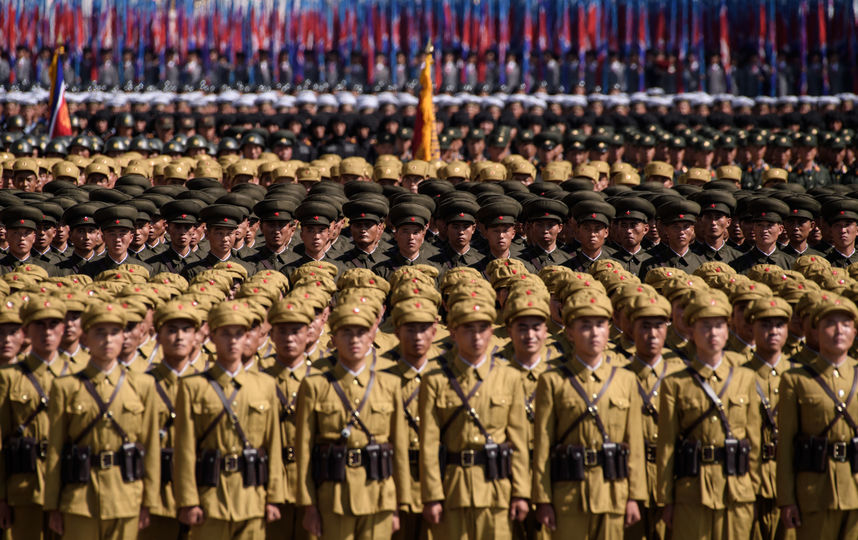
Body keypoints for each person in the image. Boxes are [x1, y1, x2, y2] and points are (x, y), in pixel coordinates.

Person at [532, 288, 646, 537]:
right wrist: (543, 499)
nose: (594, 333)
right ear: (569, 332)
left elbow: (635, 444)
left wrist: (634, 496)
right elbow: (543, 445)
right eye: (585, 325)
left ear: (608, 329)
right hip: (568, 495)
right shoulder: (552, 380)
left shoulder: (625, 379)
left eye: (600, 325)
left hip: (613, 493)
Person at [43, 301, 160, 539]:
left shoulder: (143, 385)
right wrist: (52, 505)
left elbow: (150, 447)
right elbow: (55, 450)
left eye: (115, 332)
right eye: (100, 332)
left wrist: (149, 501)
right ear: (85, 338)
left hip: (127, 496)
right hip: (79, 499)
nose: (108, 340)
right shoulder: (66, 387)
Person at [295, 298, 411, 539]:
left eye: (361, 332)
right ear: (334, 338)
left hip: (379, 494)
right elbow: (304, 450)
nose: (354, 340)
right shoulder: (315, 385)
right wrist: (309, 505)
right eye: (346, 332)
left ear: (371, 337)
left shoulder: (389, 384)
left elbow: (399, 447)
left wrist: (400, 503)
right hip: (333, 496)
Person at [418, 295, 530, 539]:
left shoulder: (509, 378)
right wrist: (432, 496)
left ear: (491, 332)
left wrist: (521, 492)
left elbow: (518, 441)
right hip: (452, 490)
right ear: (453, 332)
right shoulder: (435, 380)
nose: (476, 337)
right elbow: (429, 444)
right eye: (468, 328)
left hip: (497, 489)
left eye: (482, 328)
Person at [173, 300, 285, 539]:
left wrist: (274, 496)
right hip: (209, 499)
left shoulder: (264, 385)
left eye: (239, 334)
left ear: (247, 337)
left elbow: (273, 445)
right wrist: (188, 500)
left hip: (253, 498)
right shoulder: (193, 387)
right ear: (212, 337)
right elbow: (184, 449)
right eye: (225, 334)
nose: (233, 341)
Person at [656, 290, 761, 539]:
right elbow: (667, 447)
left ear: (728, 330)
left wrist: (754, 491)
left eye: (719, 326)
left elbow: (754, 442)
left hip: (736, 490)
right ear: (692, 331)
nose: (713, 333)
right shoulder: (675, 383)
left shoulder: (745, 378)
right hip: (692, 492)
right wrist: (666, 499)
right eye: (705, 326)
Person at [778, 294, 858, 540]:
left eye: (845, 324)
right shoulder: (796, 379)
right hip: (814, 492)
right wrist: (787, 500)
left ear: (854, 332)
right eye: (830, 324)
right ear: (815, 331)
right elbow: (786, 446)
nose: (839, 331)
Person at [0, 296, 69, 540]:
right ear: (26, 331)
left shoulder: (76, 374)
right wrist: (2, 497)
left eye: (53, 324)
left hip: (68, 483)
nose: (47, 332)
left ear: (63, 329)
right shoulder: (9, 377)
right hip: (24, 484)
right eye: (39, 324)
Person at [499, 289, 562, 540]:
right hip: (504, 477)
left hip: (553, 476)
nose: (530, 335)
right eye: (522, 327)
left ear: (546, 330)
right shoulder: (495, 372)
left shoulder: (562, 373)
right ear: (509, 330)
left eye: (536, 327)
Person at [141, 299, 205, 540]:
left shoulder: (207, 385)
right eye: (171, 330)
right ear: (158, 336)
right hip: (155, 493)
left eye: (186, 330)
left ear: (196, 337)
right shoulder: (142, 384)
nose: (179, 337)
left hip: (201, 491)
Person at [382, 297, 443, 540]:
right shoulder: (381, 378)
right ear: (397, 332)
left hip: (440, 481)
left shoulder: (447, 377)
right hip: (394, 480)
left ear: (434, 331)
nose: (417, 336)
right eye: (410, 328)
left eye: (423, 328)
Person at [263, 299, 317, 539]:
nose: (289, 338)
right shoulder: (258, 379)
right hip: (268, 483)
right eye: (282, 331)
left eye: (296, 331)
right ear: (272, 335)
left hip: (313, 483)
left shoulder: (322, 379)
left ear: (307, 333)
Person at [741, 296, 794, 540]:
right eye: (765, 325)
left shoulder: (799, 376)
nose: (773, 331)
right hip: (749, 480)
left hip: (791, 481)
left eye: (779, 325)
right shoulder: (738, 376)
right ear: (752, 327)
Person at [180, 205, 256, 280]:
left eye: (229, 233)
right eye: (219, 233)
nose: (225, 239)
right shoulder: (193, 271)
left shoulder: (246, 269)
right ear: (207, 234)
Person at [80, 205, 153, 276]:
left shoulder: (144, 270)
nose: (117, 239)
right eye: (112, 234)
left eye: (122, 234)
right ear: (103, 238)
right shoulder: (89, 270)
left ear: (131, 237)